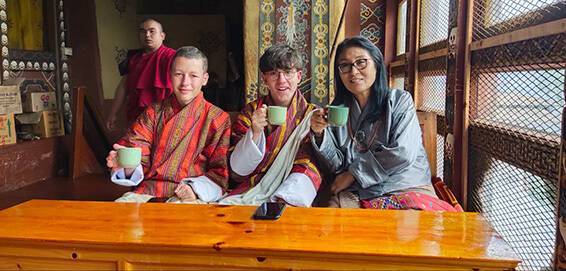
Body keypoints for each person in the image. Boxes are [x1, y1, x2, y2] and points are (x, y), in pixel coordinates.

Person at [309, 36, 459, 211]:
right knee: (334, 230)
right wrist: (320, 134)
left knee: (410, 235)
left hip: (404, 184)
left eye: (361, 63)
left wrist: (352, 174)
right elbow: (335, 166)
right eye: (345, 65)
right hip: (357, 190)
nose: (353, 72)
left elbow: (403, 152)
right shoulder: (337, 111)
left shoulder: (399, 101)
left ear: (377, 65)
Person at [106, 46, 231, 203]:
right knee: (120, 211)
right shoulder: (153, 112)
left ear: (204, 79)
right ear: (170, 76)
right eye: (179, 74)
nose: (185, 82)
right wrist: (123, 165)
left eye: (193, 76)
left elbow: (219, 172)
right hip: (149, 190)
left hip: (188, 193)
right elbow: (137, 156)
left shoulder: (217, 119)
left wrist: (196, 190)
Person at [220, 43, 322, 207]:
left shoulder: (312, 115)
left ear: (299, 76)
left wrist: (319, 133)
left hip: (292, 193)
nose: (281, 81)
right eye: (274, 73)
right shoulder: (251, 112)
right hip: (253, 188)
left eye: (288, 72)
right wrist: (255, 134)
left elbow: (312, 163)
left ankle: (288, 199)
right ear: (264, 79)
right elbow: (237, 172)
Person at [106, 19, 177, 130]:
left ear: (162, 35)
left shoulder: (172, 57)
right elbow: (123, 87)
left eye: (152, 31)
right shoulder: (133, 61)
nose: (147, 35)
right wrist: (113, 113)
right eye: (143, 32)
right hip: (137, 117)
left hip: (166, 116)